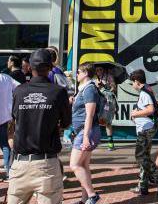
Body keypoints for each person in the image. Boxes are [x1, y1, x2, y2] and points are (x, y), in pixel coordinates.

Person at [7, 48, 71, 204]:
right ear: (50, 67)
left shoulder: (19, 91)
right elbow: (66, 123)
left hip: (20, 164)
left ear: (29, 67)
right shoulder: (58, 92)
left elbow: (12, 122)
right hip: (46, 164)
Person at [130, 69, 158, 196]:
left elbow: (150, 109)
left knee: (140, 156)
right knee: (144, 157)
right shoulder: (148, 89)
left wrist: (135, 113)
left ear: (136, 81)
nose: (132, 85)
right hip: (147, 127)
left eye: (132, 83)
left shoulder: (144, 92)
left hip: (146, 129)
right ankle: (144, 186)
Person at [70, 62, 103, 204]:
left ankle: (92, 195)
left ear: (85, 73)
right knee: (83, 165)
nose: (76, 74)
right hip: (85, 131)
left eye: (78, 72)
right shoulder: (84, 89)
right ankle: (85, 199)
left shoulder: (89, 89)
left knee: (75, 165)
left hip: (86, 131)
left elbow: (90, 114)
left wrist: (85, 138)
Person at [93, 66, 118, 151]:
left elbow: (114, 88)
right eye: (97, 70)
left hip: (107, 101)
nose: (99, 71)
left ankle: (111, 143)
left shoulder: (109, 76)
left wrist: (104, 85)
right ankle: (95, 140)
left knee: (107, 121)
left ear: (103, 69)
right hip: (97, 101)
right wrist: (97, 86)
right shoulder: (94, 78)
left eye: (100, 69)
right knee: (94, 120)